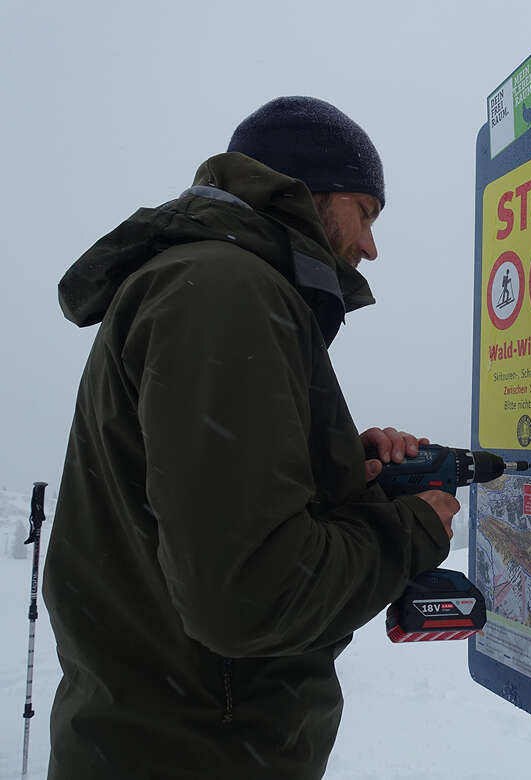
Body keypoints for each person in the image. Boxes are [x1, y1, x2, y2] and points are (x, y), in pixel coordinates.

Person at [43, 96, 459, 780]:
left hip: (161, 744)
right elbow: (250, 596)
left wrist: (335, 470)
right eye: (367, 211)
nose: (371, 247)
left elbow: (193, 503)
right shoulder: (223, 289)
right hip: (198, 754)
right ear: (309, 190)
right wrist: (413, 530)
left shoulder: (209, 281)